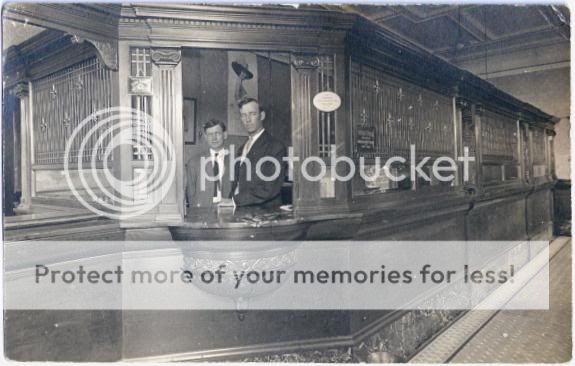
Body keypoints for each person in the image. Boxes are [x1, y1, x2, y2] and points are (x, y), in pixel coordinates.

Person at [231, 98, 286, 208]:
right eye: (243, 115)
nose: (247, 119)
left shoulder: (275, 146)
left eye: (252, 114)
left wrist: (234, 201)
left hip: (264, 214)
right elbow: (237, 185)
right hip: (242, 211)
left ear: (262, 116)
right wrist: (229, 201)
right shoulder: (242, 148)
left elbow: (269, 188)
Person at [185, 119, 233, 209]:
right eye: (210, 134)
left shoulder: (235, 161)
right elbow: (190, 194)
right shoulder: (194, 162)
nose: (214, 138)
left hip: (227, 211)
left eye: (217, 133)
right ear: (206, 137)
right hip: (202, 211)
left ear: (225, 135)